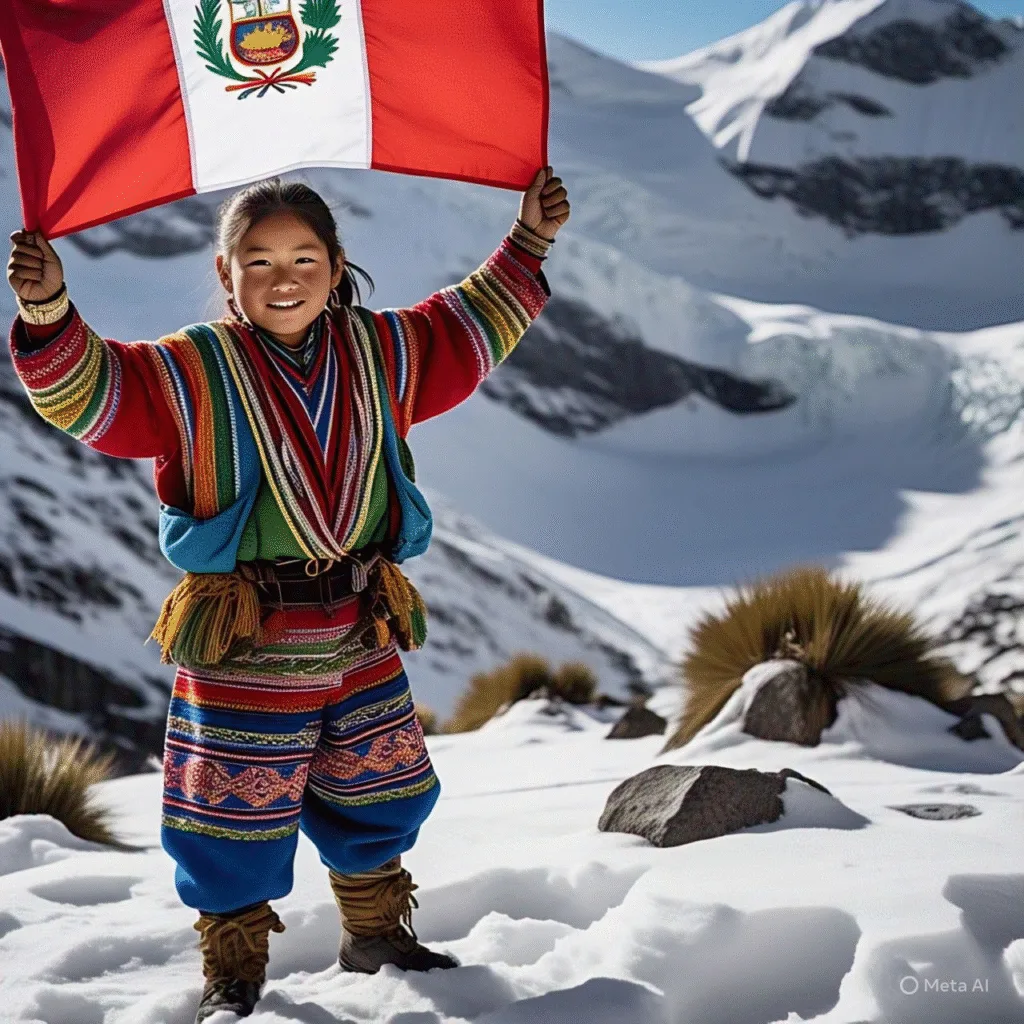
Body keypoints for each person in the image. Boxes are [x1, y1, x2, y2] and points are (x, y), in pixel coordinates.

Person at [6, 166, 570, 1022]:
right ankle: (233, 969)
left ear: (337, 267)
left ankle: (376, 932)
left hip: (356, 621)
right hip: (246, 633)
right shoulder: (190, 370)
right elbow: (93, 393)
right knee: (230, 809)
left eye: (305, 258)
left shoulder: (384, 351)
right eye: (260, 260)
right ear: (226, 272)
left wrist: (529, 239)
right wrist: (50, 312)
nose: (284, 278)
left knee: (382, 787)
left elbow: (467, 325)